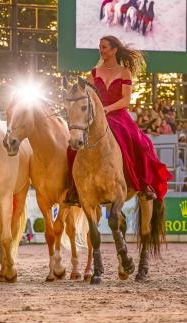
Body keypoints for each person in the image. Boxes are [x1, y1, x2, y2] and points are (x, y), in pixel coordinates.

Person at [65, 35, 172, 205]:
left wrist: (107, 108)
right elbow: (87, 97)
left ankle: (144, 185)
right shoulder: (92, 74)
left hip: (118, 115)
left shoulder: (124, 72)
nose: (101, 49)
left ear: (114, 50)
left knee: (141, 142)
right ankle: (73, 189)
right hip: (97, 117)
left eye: (104, 47)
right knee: (72, 148)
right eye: (100, 47)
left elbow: (126, 99)